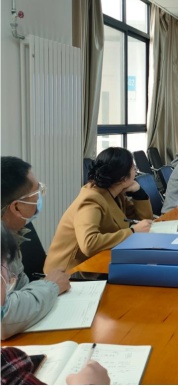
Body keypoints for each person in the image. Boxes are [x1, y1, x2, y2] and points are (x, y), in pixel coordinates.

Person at [1, 224, 111, 385]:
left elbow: (22, 289)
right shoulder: (9, 366)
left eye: (7, 283)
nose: (5, 297)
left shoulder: (10, 361)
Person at [44, 148, 154, 273]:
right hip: (69, 272)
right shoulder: (91, 200)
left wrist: (138, 193)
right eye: (134, 168)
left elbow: (143, 221)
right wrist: (132, 232)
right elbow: (89, 244)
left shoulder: (115, 192)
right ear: (124, 178)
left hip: (96, 262)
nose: (136, 171)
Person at [0, 157, 71, 339]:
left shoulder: (10, 234)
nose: (40, 198)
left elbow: (21, 288)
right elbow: (3, 318)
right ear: (16, 207)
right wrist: (51, 286)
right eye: (37, 192)